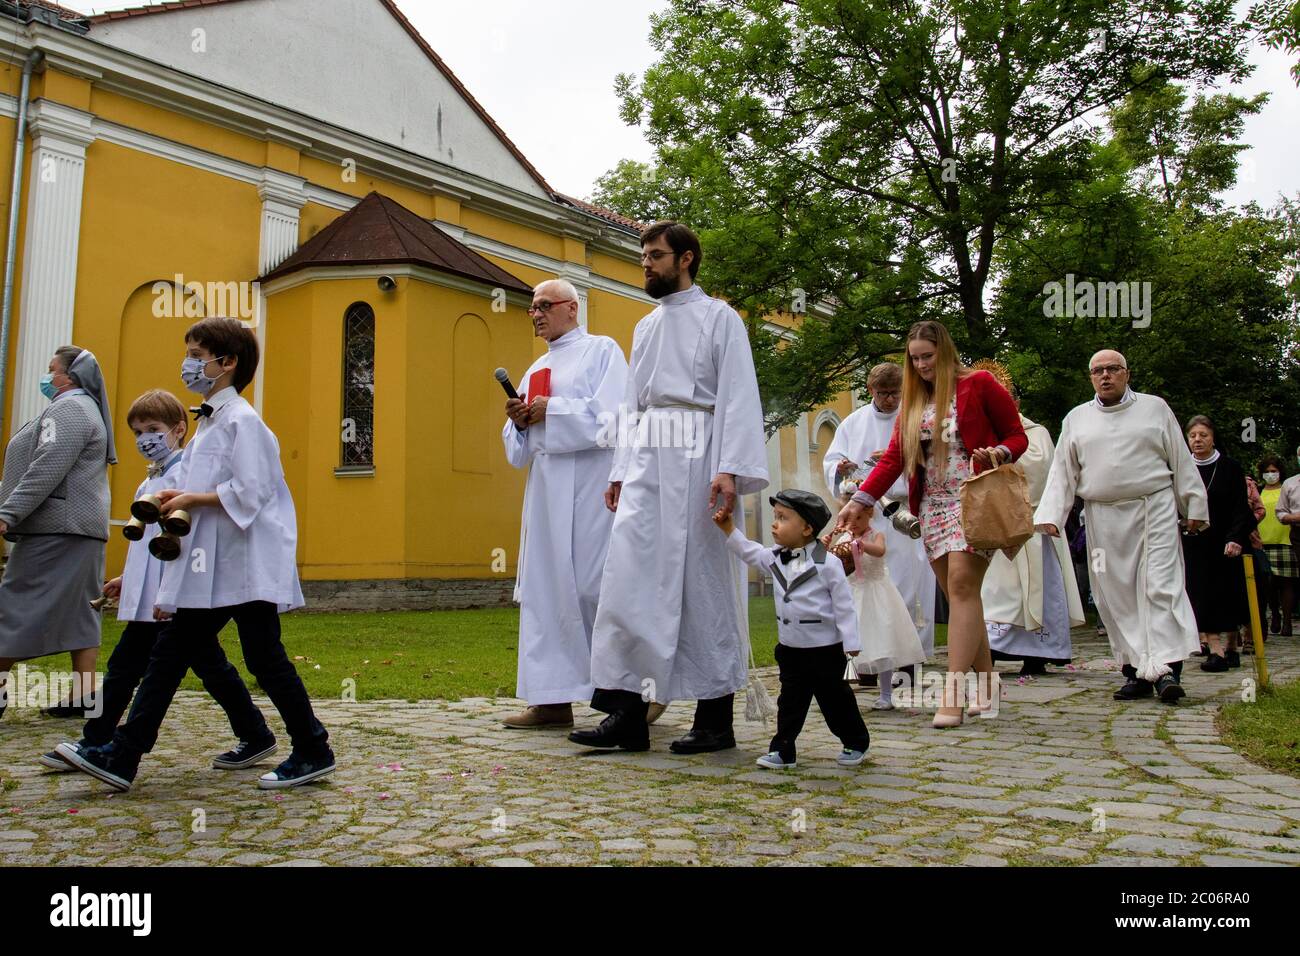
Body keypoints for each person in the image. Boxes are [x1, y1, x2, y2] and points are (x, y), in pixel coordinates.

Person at [59, 318, 334, 790]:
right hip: (214, 565)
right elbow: (212, 491)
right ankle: (124, 755)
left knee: (260, 659)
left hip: (242, 564)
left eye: (196, 355)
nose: (188, 364)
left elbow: (251, 491)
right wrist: (181, 499)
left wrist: (189, 499)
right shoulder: (213, 423)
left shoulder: (244, 423)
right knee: (175, 654)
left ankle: (312, 748)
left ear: (226, 363)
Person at [570, 221, 768, 753]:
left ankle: (714, 720)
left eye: (656, 255)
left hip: (699, 454)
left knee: (704, 585)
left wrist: (728, 468)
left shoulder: (720, 318)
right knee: (628, 582)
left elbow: (737, 395)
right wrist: (619, 469)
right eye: (644, 256)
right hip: (648, 459)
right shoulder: (646, 327)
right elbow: (633, 404)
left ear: (685, 259)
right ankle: (627, 714)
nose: (646, 264)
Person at [42, 390, 273, 772]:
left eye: (153, 429)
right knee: (203, 667)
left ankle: (96, 741)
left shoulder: (183, 475)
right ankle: (255, 732)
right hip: (150, 591)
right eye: (136, 431)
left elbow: (181, 539)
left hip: (169, 597)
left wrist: (167, 592)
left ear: (179, 429)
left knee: (132, 666)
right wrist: (127, 577)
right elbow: (148, 541)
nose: (143, 438)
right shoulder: (152, 477)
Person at [837, 321, 1028, 727]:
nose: (922, 365)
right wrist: (861, 500)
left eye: (928, 356)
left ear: (944, 352)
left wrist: (999, 451)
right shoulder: (913, 401)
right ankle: (988, 685)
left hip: (974, 499)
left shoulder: (979, 385)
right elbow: (893, 459)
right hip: (932, 506)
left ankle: (953, 696)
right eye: (915, 358)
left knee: (961, 585)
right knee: (961, 594)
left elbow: (1017, 436)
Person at [1035, 350, 1207, 704]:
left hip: (1153, 508)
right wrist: (1052, 515)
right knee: (1114, 594)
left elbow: (1179, 455)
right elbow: (1062, 471)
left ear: (1127, 373)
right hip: (1102, 516)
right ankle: (1134, 670)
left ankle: (1166, 670)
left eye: (1113, 369)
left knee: (1160, 585)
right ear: (1091, 378)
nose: (1105, 376)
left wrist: (1194, 503)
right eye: (1098, 371)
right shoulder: (1077, 418)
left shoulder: (1155, 408)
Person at [501, 279, 630, 729]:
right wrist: (518, 422)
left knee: (592, 587)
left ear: (572, 308)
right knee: (545, 591)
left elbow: (614, 417)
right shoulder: (536, 365)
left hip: (593, 481)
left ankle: (620, 697)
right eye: (532, 308)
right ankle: (551, 700)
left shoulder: (602, 351)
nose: (535, 313)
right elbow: (517, 447)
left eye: (544, 305)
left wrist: (550, 411)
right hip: (547, 489)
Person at [715, 490, 869, 769]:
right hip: (791, 649)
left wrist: (851, 641)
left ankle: (855, 741)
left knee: (836, 701)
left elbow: (844, 606)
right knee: (789, 703)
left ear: (807, 528)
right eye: (775, 517)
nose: (775, 524)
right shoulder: (774, 557)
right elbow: (749, 552)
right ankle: (784, 750)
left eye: (783, 518)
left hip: (825, 651)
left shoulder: (829, 564)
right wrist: (729, 528)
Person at [0, 347, 114, 721]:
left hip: (56, 527)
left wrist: (7, 513)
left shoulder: (68, 409)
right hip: (78, 527)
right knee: (83, 611)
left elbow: (46, 467)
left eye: (52, 371)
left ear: (70, 377)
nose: (47, 378)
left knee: (13, 605)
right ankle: (85, 695)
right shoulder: (81, 409)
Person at [822, 360, 936, 699]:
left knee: (908, 589)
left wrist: (897, 458)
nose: (888, 400)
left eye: (894, 393)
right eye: (882, 393)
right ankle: (870, 663)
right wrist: (841, 469)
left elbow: (933, 459)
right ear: (870, 390)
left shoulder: (916, 418)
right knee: (867, 593)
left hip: (905, 510)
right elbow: (832, 462)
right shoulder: (853, 422)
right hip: (865, 516)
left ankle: (908, 660)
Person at [972, 361, 1085, 675]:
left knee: (1036, 591)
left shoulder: (1035, 433)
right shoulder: (977, 431)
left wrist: (998, 457)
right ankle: (988, 651)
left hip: (1029, 523)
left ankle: (1036, 655)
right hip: (990, 525)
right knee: (992, 592)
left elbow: (1040, 468)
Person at [828, 508, 926, 710]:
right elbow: (833, 561)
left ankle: (886, 693)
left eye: (859, 518)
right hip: (852, 594)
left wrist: (863, 545)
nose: (854, 523)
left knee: (883, 643)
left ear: (869, 514)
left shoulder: (876, 535)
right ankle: (836, 694)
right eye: (849, 519)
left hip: (877, 594)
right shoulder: (844, 539)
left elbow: (880, 550)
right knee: (844, 644)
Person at [1183, 416, 1255, 673]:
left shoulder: (1230, 467)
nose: (1198, 440)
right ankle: (1215, 650)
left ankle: (1232, 646)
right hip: (1195, 541)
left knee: (1230, 593)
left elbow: (1240, 507)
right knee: (1202, 593)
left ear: (1213, 437)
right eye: (1193, 436)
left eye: (1203, 435)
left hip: (1227, 540)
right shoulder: (1183, 468)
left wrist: (1235, 537)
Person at [1256, 455, 1294, 635]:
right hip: (1263, 541)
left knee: (1286, 583)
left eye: (1274, 471)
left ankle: (1287, 621)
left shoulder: (1287, 489)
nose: (1270, 475)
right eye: (1267, 472)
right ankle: (1275, 615)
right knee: (1268, 583)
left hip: (1285, 540)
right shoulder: (1258, 491)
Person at [1270, 448, 1300, 636]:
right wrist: (1294, 517)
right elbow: (1280, 512)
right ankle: (1286, 621)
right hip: (1297, 533)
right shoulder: (1290, 484)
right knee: (1289, 581)